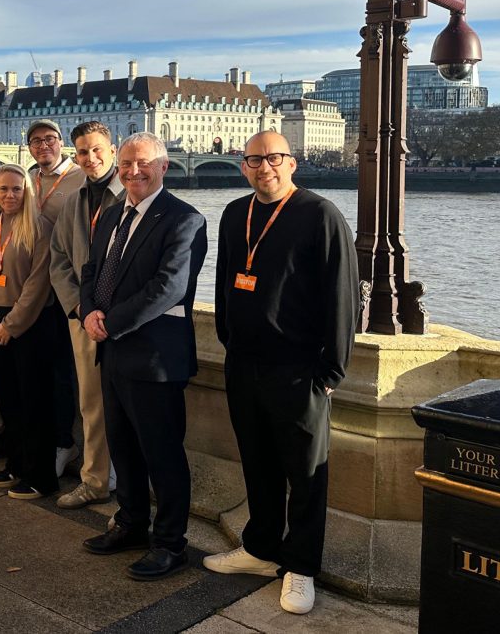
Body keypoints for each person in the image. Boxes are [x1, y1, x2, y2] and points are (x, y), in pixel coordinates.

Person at [205, 131, 357, 615]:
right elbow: (227, 278)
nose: (263, 167)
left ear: (292, 163)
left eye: (273, 157)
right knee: (257, 461)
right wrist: (231, 338)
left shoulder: (320, 215)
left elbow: (342, 297)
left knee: (307, 473)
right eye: (253, 159)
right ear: (244, 166)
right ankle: (260, 548)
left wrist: (330, 371)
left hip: (299, 369)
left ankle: (301, 567)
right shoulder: (234, 213)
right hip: (244, 363)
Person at [78, 132, 207, 582]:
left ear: (164, 166)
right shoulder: (112, 213)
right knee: (124, 448)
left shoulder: (184, 220)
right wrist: (88, 310)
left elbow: (168, 287)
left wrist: (109, 321)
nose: (134, 171)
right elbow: (92, 270)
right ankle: (131, 524)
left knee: (162, 454)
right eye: (127, 163)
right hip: (112, 353)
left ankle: (171, 544)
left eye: (143, 163)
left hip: (155, 358)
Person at [48, 121, 125, 509]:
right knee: (91, 403)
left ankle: (125, 481)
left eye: (96, 150)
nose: (90, 158)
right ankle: (96, 479)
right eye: (82, 152)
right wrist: (79, 307)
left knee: (129, 405)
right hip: (83, 317)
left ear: (113, 150)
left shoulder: (131, 193)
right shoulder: (75, 200)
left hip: (125, 321)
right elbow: (58, 258)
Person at [0, 164, 57, 499]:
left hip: (30, 324)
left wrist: (11, 326)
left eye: (16, 189)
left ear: (27, 192)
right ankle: (17, 464)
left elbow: (38, 284)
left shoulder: (39, 228)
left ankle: (41, 475)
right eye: (3, 189)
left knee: (34, 401)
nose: (9, 195)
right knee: (8, 400)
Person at [26, 118, 88, 478]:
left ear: (61, 143)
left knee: (65, 373)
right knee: (39, 372)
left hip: (66, 290)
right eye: (36, 141)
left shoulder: (81, 178)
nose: (43, 146)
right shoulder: (26, 178)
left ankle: (65, 442)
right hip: (31, 290)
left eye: (50, 139)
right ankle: (44, 439)